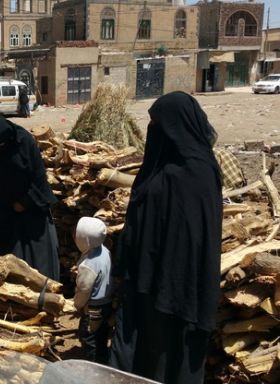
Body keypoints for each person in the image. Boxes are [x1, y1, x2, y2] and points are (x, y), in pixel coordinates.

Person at [109, 91, 222, 384]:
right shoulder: (160, 167)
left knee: (171, 358)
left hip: (179, 288)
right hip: (147, 281)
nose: (152, 131)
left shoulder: (197, 172)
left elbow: (195, 237)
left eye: (157, 124)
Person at [0, 115, 60, 281]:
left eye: (1, 145)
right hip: (2, 215)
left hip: (32, 214)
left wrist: (25, 201)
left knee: (39, 267)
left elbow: (38, 177)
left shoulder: (24, 142)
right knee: (6, 266)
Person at [73, 217, 113, 364]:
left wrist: (77, 304)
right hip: (106, 303)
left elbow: (84, 289)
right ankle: (102, 357)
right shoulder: (105, 251)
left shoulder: (88, 264)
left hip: (93, 307)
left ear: (85, 239)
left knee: (88, 335)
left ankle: (93, 363)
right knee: (101, 333)